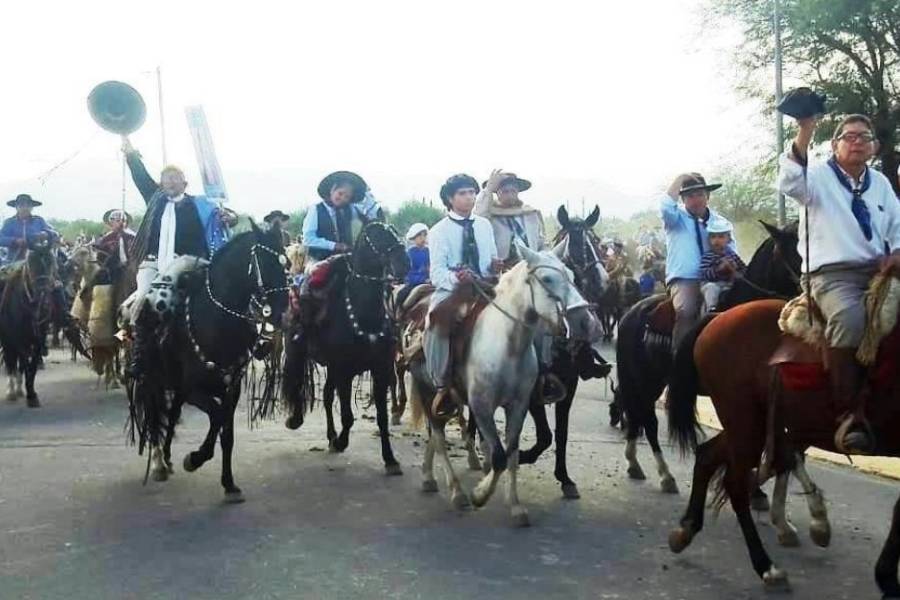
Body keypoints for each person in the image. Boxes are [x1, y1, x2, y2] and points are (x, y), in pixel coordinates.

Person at [778, 113, 900, 454]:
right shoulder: (815, 178)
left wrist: (898, 251)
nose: (857, 141)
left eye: (864, 136)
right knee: (850, 319)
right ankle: (849, 415)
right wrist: (805, 129)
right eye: (849, 136)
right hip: (831, 275)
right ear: (835, 145)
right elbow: (789, 181)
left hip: (879, 271)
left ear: (874, 146)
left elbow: (897, 224)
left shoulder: (881, 183)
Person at [121, 136, 237, 372]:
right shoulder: (155, 201)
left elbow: (225, 216)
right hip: (152, 264)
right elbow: (140, 176)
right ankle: (138, 351)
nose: (170, 182)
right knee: (140, 298)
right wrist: (130, 151)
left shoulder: (201, 203)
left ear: (185, 183)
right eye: (166, 179)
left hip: (190, 262)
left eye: (175, 178)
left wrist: (231, 218)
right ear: (161, 184)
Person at [425, 174, 499, 417]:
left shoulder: (484, 226)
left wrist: (496, 266)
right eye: (463, 193)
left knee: (527, 310)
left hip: (486, 286)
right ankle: (442, 385)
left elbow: (490, 260)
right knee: (437, 323)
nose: (469, 197)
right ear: (450, 198)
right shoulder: (438, 231)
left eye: (472, 192)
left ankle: (539, 375)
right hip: (454, 291)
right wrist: (457, 278)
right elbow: (436, 273)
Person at [660, 173, 735, 352]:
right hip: (686, 279)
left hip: (718, 278)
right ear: (683, 200)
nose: (696, 200)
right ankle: (680, 361)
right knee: (686, 312)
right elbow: (665, 207)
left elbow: (732, 250)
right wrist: (679, 178)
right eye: (690, 196)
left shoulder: (721, 222)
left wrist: (730, 267)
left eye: (700, 194)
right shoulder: (675, 217)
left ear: (708, 196)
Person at [301, 172, 381, 265]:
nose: (342, 198)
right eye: (340, 193)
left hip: (346, 259)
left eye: (347, 197)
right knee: (317, 275)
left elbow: (370, 217)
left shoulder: (351, 209)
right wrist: (334, 246)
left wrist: (367, 194)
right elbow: (308, 239)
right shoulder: (316, 209)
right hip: (320, 260)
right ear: (332, 190)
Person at [475, 169, 545, 263]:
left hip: (530, 265)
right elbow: (478, 218)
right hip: (503, 267)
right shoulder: (490, 215)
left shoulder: (531, 214)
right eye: (505, 192)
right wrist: (489, 189)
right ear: (498, 193)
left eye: (513, 191)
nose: (510, 195)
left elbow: (541, 242)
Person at [699, 218, 746, 313]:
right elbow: (705, 274)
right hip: (713, 283)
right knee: (712, 288)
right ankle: (711, 310)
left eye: (720, 237)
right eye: (713, 237)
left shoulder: (732, 255)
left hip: (728, 284)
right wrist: (719, 269)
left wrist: (737, 270)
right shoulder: (708, 256)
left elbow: (743, 267)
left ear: (728, 239)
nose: (716, 240)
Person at [0, 194, 59, 262]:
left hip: (38, 257)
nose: (25, 208)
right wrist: (15, 241)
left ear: (32, 208)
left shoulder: (39, 220)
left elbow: (55, 234)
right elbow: (1, 238)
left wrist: (46, 234)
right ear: (16, 207)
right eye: (21, 205)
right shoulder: (9, 222)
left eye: (28, 205)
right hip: (14, 259)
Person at [396, 223, 430, 309]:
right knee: (401, 295)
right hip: (415, 283)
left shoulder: (430, 251)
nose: (423, 238)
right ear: (413, 238)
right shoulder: (410, 253)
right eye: (419, 236)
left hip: (432, 281)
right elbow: (408, 272)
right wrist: (422, 279)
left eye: (424, 235)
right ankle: (400, 312)